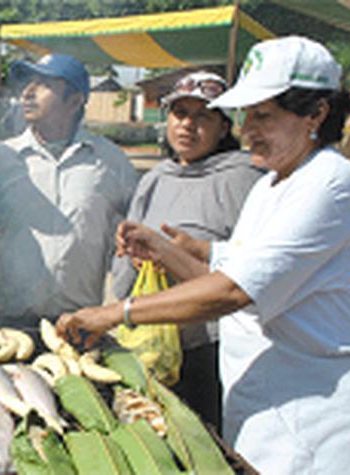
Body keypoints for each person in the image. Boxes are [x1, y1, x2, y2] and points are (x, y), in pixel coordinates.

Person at [57, 36, 350, 474]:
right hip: (270, 409)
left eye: (264, 116)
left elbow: (233, 292)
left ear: (317, 113)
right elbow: (224, 271)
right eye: (247, 116)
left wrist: (114, 313)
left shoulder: (331, 183)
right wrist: (165, 250)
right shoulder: (272, 183)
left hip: (325, 418)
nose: (249, 129)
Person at [109, 70, 264, 429]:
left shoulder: (245, 179)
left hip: (212, 346)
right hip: (155, 343)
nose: (187, 126)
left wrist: (180, 253)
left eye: (203, 116)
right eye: (180, 114)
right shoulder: (154, 179)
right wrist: (131, 248)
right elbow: (122, 276)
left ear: (224, 127)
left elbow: (251, 269)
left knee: (208, 437)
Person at [0, 54, 139, 327]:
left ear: (75, 101)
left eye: (43, 84)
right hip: (13, 322)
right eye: (28, 83)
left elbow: (134, 232)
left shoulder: (111, 163)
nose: (28, 92)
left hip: (81, 322)